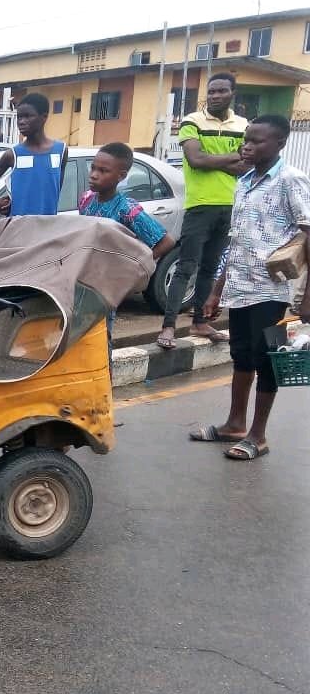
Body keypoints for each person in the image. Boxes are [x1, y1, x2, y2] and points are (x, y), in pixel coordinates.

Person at [190, 115, 310, 460]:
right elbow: (238, 241)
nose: (248, 145)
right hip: (240, 286)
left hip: (273, 289)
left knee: (266, 358)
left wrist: (308, 297)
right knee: (241, 355)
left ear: (280, 144)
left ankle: (258, 436)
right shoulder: (244, 181)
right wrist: (216, 291)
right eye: (247, 139)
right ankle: (234, 424)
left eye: (257, 141)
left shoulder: (291, 180)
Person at [157, 73, 250, 350]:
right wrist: (232, 157)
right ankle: (169, 326)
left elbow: (246, 166)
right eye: (211, 92)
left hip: (230, 205)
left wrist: (213, 161)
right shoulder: (192, 121)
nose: (215, 96)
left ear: (232, 93)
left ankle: (200, 321)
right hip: (199, 205)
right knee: (186, 267)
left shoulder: (243, 125)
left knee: (210, 268)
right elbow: (195, 159)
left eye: (221, 91)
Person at [78, 142, 177, 351]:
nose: (94, 175)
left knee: (102, 340)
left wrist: (131, 271)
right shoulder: (86, 200)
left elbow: (166, 242)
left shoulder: (127, 209)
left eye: (103, 171)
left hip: (108, 287)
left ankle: (105, 381)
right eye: (93, 168)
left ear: (121, 176)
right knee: (81, 338)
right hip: (83, 280)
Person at [0, 93, 68, 217]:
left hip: (48, 228)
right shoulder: (12, 155)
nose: (21, 122)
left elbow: (55, 188)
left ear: (44, 117)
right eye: (19, 117)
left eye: (27, 116)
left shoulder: (61, 150)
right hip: (18, 228)